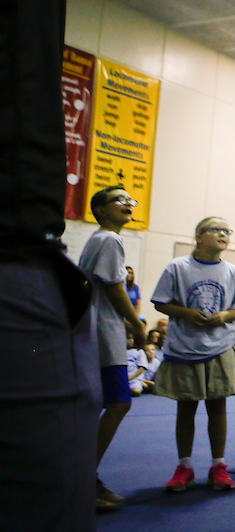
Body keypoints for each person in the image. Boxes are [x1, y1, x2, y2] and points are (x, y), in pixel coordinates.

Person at [1, 0, 235, 532]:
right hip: (29, 278)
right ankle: (95, 478)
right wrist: (145, 323)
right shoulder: (103, 246)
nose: (121, 212)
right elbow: (115, 282)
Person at [151, 217, 235, 493]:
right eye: (216, 229)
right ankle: (184, 466)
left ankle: (219, 465)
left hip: (219, 346)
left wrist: (223, 316)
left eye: (226, 231)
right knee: (186, 407)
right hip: (185, 346)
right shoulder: (178, 267)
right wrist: (186, 313)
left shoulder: (231, 271)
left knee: (218, 406)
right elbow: (160, 302)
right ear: (199, 236)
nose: (223, 234)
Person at [78, 187, 145, 511]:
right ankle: (81, 479)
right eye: (119, 200)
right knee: (118, 402)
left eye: (131, 200)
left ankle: (84, 477)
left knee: (109, 403)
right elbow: (116, 288)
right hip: (102, 333)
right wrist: (137, 323)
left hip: (97, 331)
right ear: (100, 209)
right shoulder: (108, 239)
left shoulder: (99, 240)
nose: (128, 204)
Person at [126, 335, 148, 399]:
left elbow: (141, 368)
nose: (131, 340)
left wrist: (132, 377)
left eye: (132, 339)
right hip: (122, 378)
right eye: (128, 338)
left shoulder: (139, 351)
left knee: (136, 391)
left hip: (134, 379)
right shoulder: (120, 352)